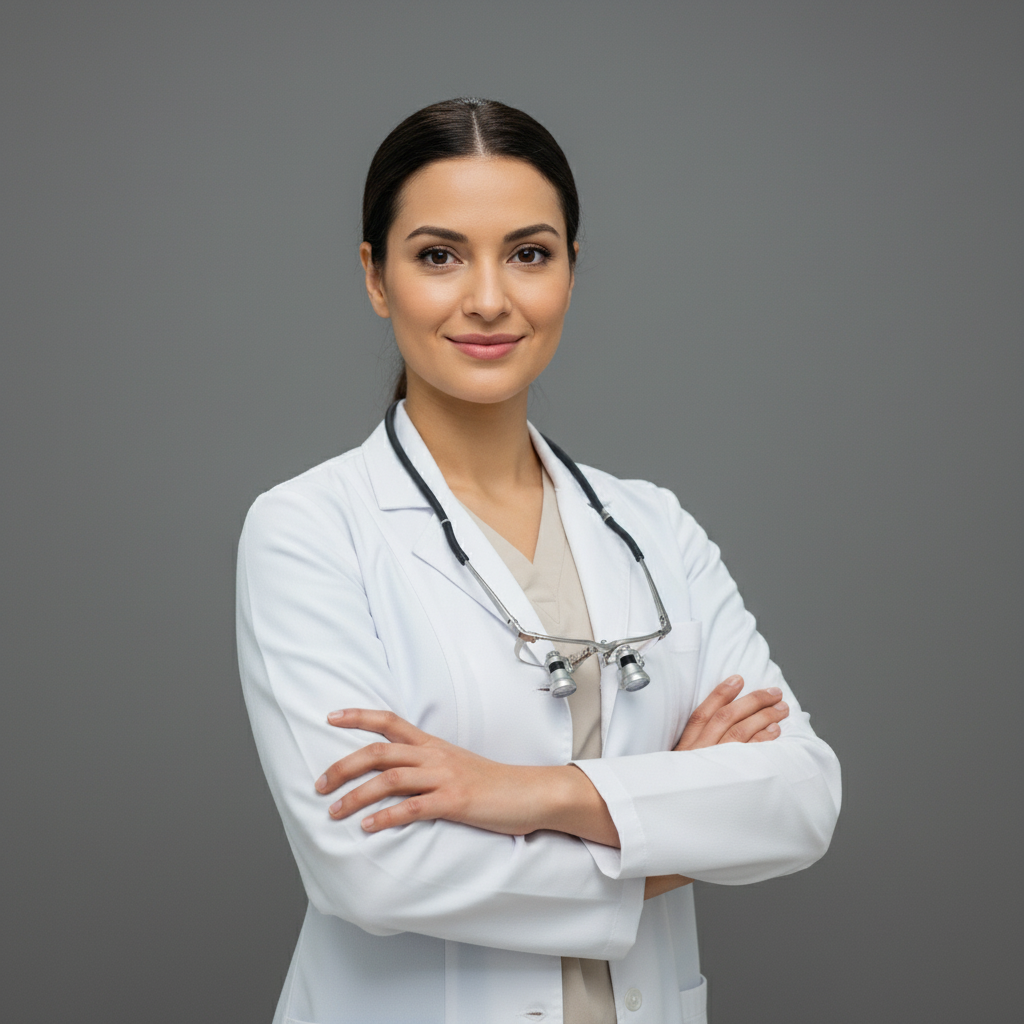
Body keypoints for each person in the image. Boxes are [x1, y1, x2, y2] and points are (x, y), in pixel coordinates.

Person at [236, 97, 841, 1024]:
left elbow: (801, 797)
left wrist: (519, 793)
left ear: (570, 270)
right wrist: (677, 822)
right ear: (375, 276)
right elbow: (373, 870)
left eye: (529, 253)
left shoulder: (653, 525)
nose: (489, 298)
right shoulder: (310, 528)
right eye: (439, 256)